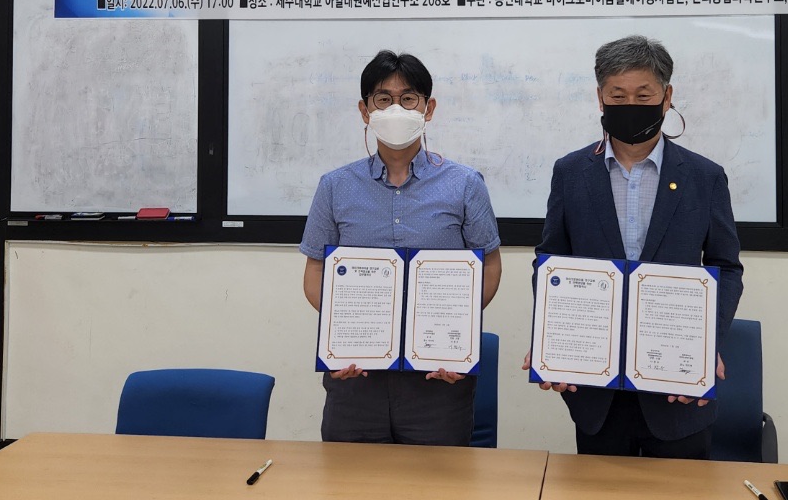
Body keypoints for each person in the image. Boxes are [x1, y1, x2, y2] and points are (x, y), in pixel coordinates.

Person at [531, 34, 744, 458]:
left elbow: (726, 266)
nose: (630, 105)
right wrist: (553, 341)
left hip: (677, 390)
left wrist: (705, 344)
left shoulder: (704, 177)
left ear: (667, 97)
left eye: (643, 95)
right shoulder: (571, 172)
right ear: (600, 98)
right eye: (618, 95)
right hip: (596, 390)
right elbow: (551, 262)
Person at [301, 50, 502, 445]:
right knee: (351, 480)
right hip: (355, 378)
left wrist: (455, 332)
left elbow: (490, 266)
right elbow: (316, 273)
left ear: (429, 108)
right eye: (383, 98)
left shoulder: (464, 184)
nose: (396, 108)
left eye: (408, 98)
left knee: (436, 482)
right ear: (364, 110)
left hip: (437, 380)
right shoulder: (335, 186)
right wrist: (344, 335)